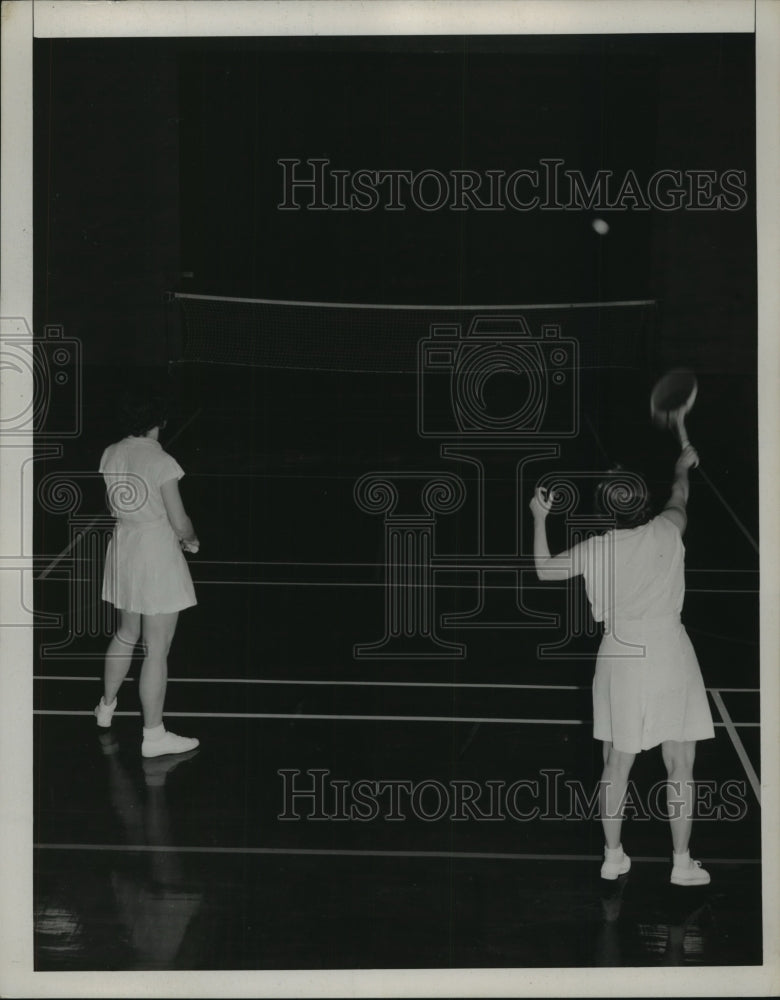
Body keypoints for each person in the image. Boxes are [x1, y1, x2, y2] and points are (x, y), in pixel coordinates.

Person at [529, 445, 715, 886]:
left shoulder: (596, 548)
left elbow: (544, 570)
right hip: (670, 650)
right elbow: (681, 494)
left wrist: (539, 518)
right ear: (645, 503)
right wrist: (681, 465)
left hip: (620, 655)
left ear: (603, 511)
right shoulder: (669, 530)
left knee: (616, 761)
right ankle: (682, 862)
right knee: (680, 761)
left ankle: (613, 857)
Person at [95, 387, 200, 758]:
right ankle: (154, 736)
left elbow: (113, 506)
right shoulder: (162, 462)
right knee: (157, 649)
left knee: (126, 632)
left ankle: (106, 708)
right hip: (155, 555)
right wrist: (190, 540)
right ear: (159, 422)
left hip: (124, 549)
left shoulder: (110, 453)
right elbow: (180, 520)